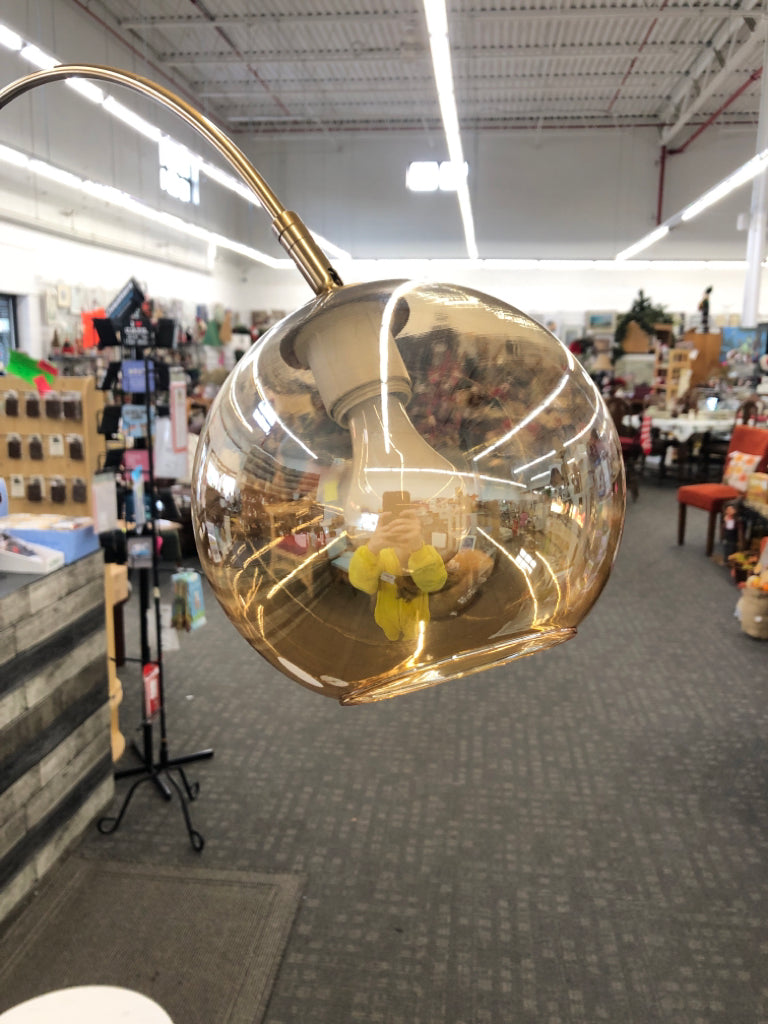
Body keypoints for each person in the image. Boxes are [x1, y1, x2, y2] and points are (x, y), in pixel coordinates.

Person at [348, 507, 447, 641]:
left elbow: (434, 584)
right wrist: (371, 548)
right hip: (386, 624)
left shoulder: (426, 553)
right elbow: (362, 583)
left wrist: (418, 548)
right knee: (390, 643)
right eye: (391, 523)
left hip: (417, 625)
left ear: (417, 526)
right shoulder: (379, 556)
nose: (398, 527)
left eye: (406, 522)